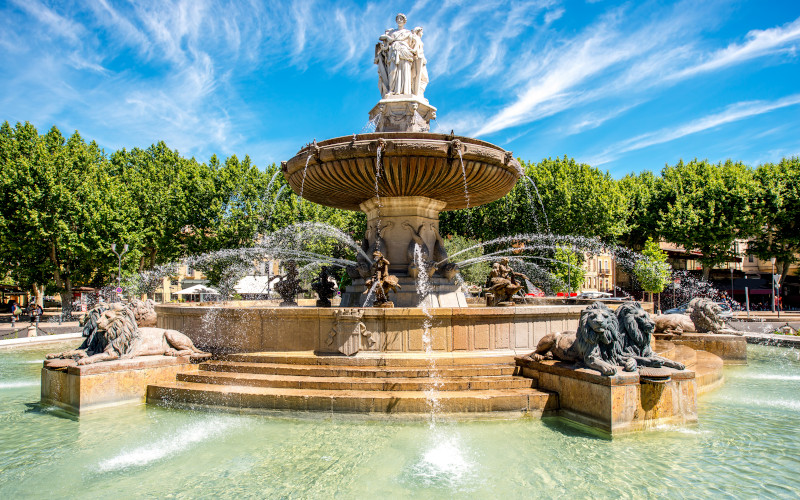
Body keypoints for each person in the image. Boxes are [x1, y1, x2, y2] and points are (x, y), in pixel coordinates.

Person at [379, 14, 415, 95]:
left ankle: (405, 91)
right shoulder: (392, 32)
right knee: (393, 71)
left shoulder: (408, 33)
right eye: (398, 19)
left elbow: (412, 44)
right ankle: (392, 90)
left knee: (404, 71)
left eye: (401, 19)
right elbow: (381, 37)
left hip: (404, 52)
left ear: (404, 21)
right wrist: (388, 38)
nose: (399, 20)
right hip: (393, 52)